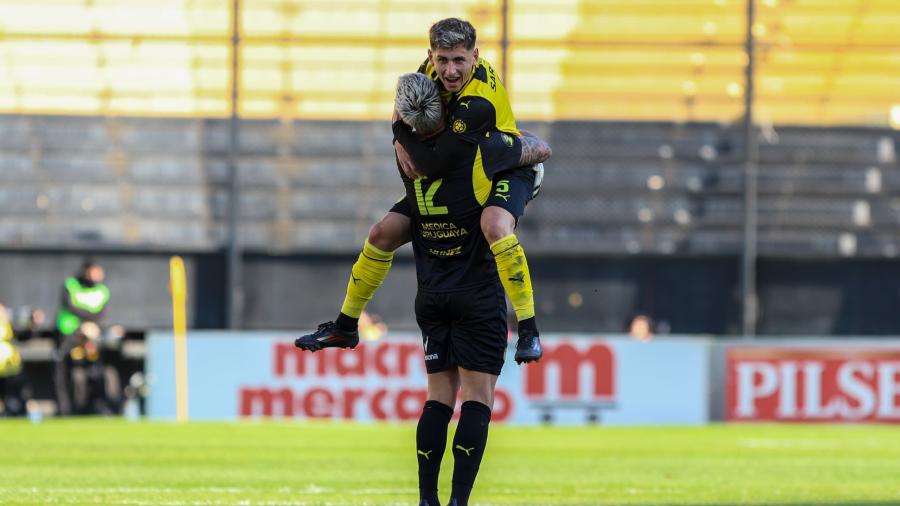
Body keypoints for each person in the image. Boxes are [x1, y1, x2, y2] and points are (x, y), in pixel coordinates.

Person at [298, 18, 547, 364]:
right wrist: (398, 134)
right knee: (381, 233)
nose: (450, 70)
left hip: (504, 166)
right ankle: (346, 325)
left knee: (493, 226)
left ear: (475, 55)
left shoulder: (478, 103)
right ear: (430, 55)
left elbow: (433, 162)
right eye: (442, 59)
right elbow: (402, 104)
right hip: (461, 168)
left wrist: (400, 135)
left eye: (459, 60)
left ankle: (528, 330)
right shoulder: (427, 71)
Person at [53, 260, 119, 415]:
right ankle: (64, 410)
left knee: (97, 368)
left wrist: (91, 327)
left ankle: (99, 405)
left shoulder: (102, 290)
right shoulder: (71, 285)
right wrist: (83, 325)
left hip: (91, 333)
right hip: (68, 334)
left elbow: (101, 312)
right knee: (61, 372)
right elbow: (69, 306)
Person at [0, 303, 30, 416]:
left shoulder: (9, 326)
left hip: (11, 368)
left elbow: (23, 337)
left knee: (16, 400)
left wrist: (31, 326)